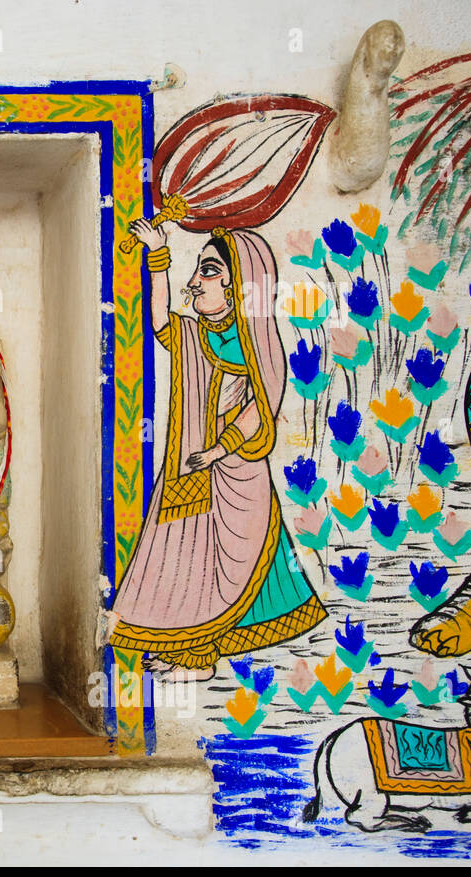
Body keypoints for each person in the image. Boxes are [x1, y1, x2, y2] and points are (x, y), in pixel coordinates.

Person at [109, 220, 326, 679]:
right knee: (187, 559)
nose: (195, 283)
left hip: (234, 474)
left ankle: (200, 660)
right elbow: (161, 319)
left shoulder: (257, 345)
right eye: (198, 271)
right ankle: (187, 652)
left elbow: (258, 405)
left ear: (238, 284)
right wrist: (158, 258)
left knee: (226, 567)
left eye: (207, 271)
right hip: (190, 469)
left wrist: (219, 451)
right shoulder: (196, 334)